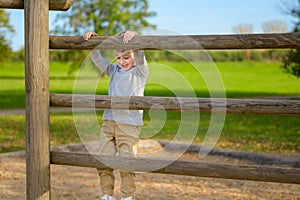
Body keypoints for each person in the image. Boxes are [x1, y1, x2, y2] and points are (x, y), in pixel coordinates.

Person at [83, 30, 148, 200]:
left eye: (126, 57)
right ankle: (107, 195)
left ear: (134, 55)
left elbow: (140, 53)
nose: (122, 61)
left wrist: (135, 37)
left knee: (127, 163)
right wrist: (94, 42)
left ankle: (127, 196)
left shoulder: (140, 72)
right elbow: (97, 59)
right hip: (108, 121)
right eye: (118, 57)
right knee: (103, 160)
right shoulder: (113, 71)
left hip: (129, 124)